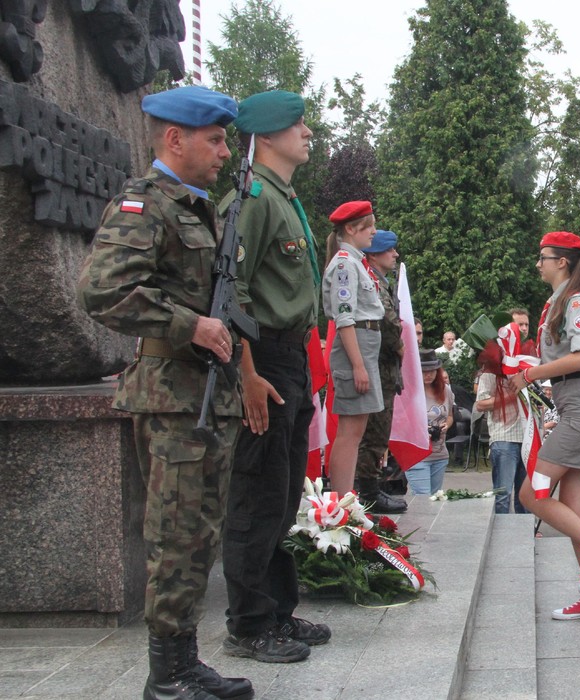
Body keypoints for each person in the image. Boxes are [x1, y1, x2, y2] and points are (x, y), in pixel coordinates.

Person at [77, 86, 253, 700]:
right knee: (175, 537)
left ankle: (184, 660)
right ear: (175, 139)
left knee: (200, 536)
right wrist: (192, 325)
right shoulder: (143, 204)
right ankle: (166, 676)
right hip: (171, 397)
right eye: (215, 138)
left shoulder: (198, 207)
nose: (225, 152)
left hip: (205, 394)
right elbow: (102, 291)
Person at [221, 90, 330, 665]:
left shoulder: (283, 197)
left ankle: (277, 611)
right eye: (297, 124)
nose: (307, 131)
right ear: (266, 134)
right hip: (261, 359)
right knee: (258, 496)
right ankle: (248, 624)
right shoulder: (253, 200)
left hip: (289, 358)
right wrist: (247, 374)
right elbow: (229, 294)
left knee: (285, 495)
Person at [510, 231, 580, 621]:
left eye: (543, 256)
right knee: (573, 505)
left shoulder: (576, 301)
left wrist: (532, 373)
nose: (537, 263)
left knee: (532, 493)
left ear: (562, 262)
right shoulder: (561, 301)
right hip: (575, 404)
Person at [323, 200, 385, 496]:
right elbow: (345, 318)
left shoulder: (355, 261)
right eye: (368, 226)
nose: (374, 231)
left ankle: (345, 498)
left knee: (356, 430)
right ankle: (340, 501)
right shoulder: (345, 265)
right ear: (350, 228)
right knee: (349, 433)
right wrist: (358, 365)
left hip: (365, 347)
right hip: (355, 348)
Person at [354, 228, 408, 514]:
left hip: (382, 368)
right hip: (378, 365)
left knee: (377, 432)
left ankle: (369, 488)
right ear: (374, 255)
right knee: (373, 434)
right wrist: (399, 343)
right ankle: (368, 492)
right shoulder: (373, 282)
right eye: (390, 250)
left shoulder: (379, 281)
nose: (395, 254)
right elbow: (386, 321)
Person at [475, 360, 528, 515]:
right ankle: (500, 534)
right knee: (503, 494)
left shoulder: (527, 370)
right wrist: (511, 395)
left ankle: (524, 533)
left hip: (527, 439)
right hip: (504, 438)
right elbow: (481, 404)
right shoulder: (490, 372)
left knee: (525, 495)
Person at [405, 350, 454, 495]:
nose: (428, 375)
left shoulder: (446, 390)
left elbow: (450, 415)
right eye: (424, 370)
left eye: (432, 371)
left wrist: (447, 424)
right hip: (416, 453)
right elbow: (401, 422)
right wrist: (421, 428)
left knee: (434, 499)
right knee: (422, 498)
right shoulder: (408, 392)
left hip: (440, 454)